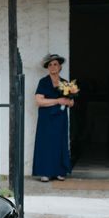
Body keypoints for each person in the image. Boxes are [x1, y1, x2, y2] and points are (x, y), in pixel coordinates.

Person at [32, 54, 73, 182]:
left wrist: (67, 101)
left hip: (60, 119)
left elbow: (71, 103)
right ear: (47, 68)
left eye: (55, 64)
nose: (53, 67)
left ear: (60, 66)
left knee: (60, 143)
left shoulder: (65, 83)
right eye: (50, 65)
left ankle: (60, 172)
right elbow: (39, 101)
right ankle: (45, 172)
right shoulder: (43, 82)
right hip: (46, 119)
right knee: (46, 143)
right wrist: (58, 100)